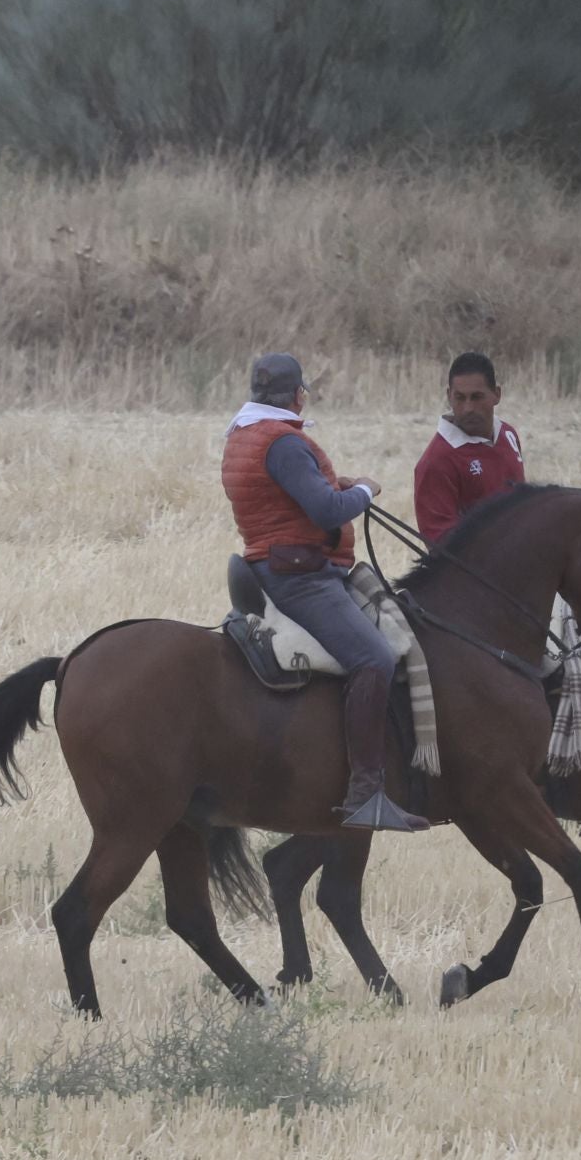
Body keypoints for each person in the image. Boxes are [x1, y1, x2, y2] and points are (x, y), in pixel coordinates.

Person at [221, 353, 429, 832]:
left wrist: (338, 482)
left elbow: (285, 491)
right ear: (297, 395)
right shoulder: (286, 443)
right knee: (374, 657)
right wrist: (365, 492)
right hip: (301, 576)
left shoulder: (246, 434)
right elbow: (325, 511)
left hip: (273, 565)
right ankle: (365, 793)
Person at [413, 351, 525, 545]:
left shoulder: (508, 434)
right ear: (449, 396)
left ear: (497, 394)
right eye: (460, 398)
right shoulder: (436, 462)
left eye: (477, 397)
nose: (468, 408)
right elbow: (441, 548)